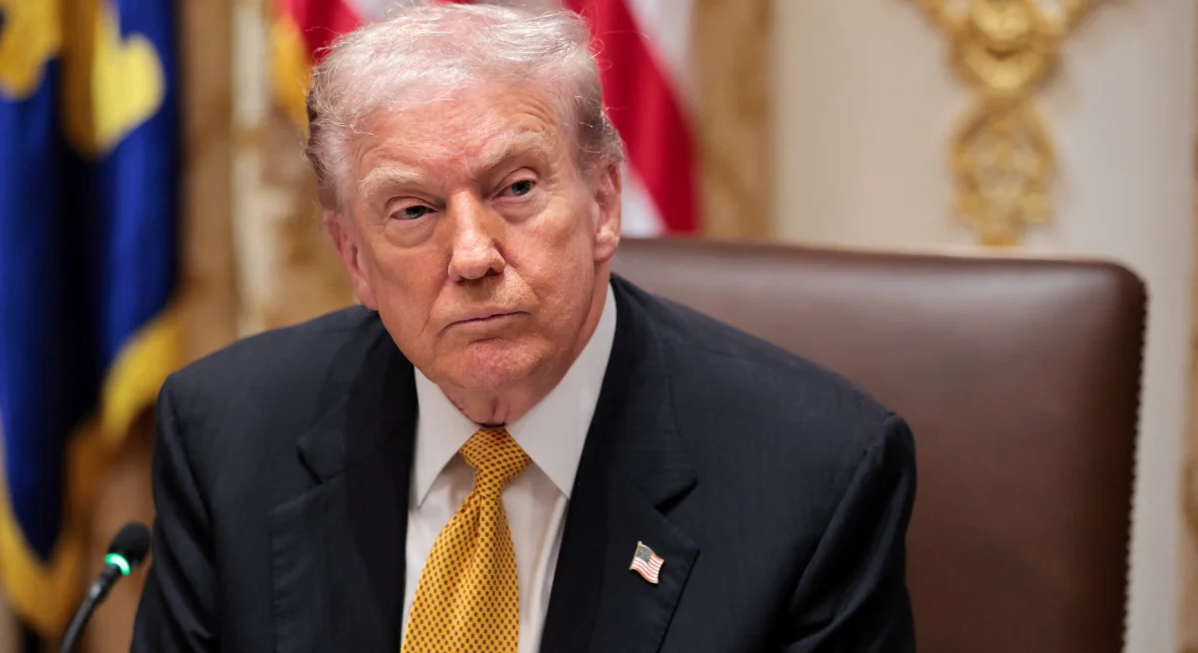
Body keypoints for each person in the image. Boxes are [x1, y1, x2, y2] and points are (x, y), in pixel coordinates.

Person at [131, 5, 916, 652]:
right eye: (413, 210)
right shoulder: (228, 435)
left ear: (604, 201)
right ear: (353, 258)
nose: (472, 255)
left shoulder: (811, 477)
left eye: (514, 188)